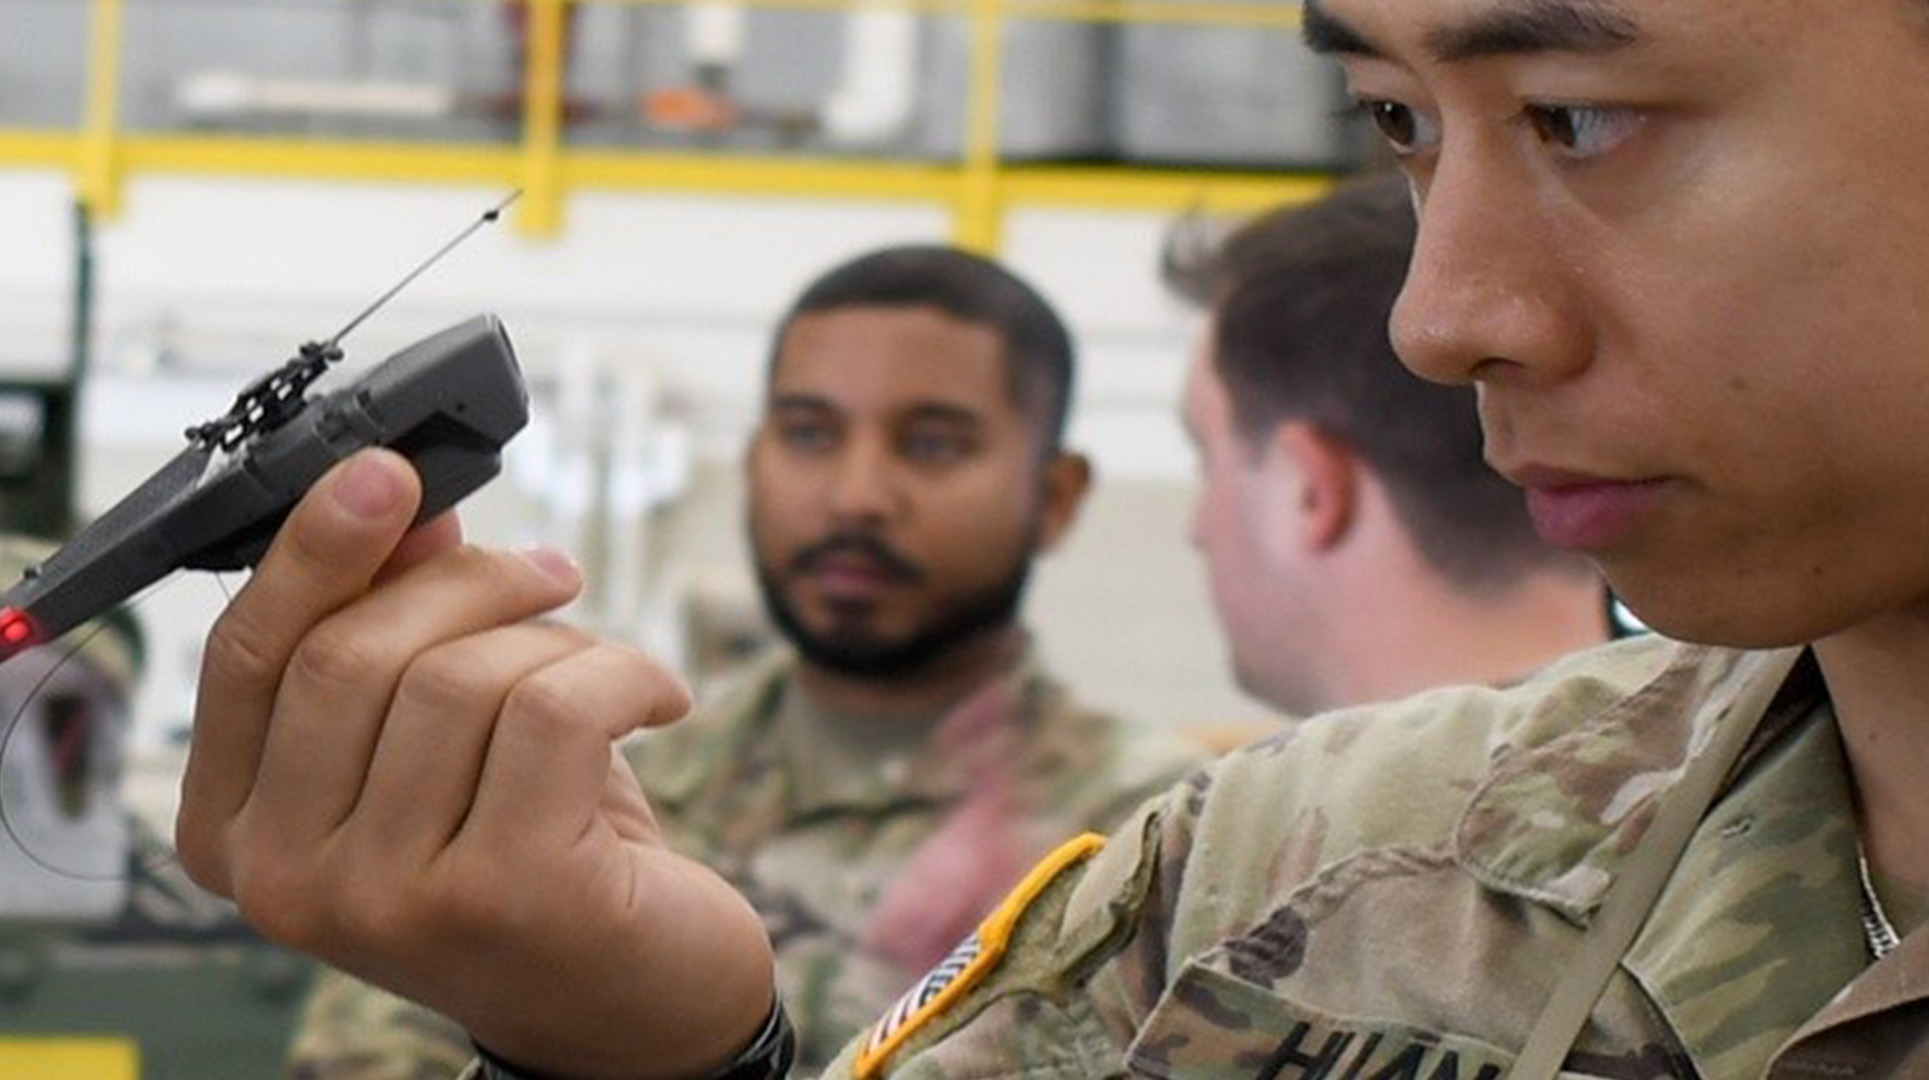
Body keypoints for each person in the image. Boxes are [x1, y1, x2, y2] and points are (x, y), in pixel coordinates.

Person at [170, 0, 1929, 1071]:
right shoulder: (1276, 896)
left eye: (1575, 117)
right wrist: (639, 1054)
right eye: (1395, 121)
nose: (1438, 312)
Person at [278, 245, 1207, 1079]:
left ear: (1055, 496)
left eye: (932, 445)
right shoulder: (582, 795)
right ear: (756, 459)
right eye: (809, 433)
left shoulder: (1168, 845)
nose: (856, 495)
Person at [1168, 174, 1609, 717]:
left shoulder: (1292, 781)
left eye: (1207, 459)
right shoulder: (1693, 746)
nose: (1197, 530)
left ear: (1309, 490)